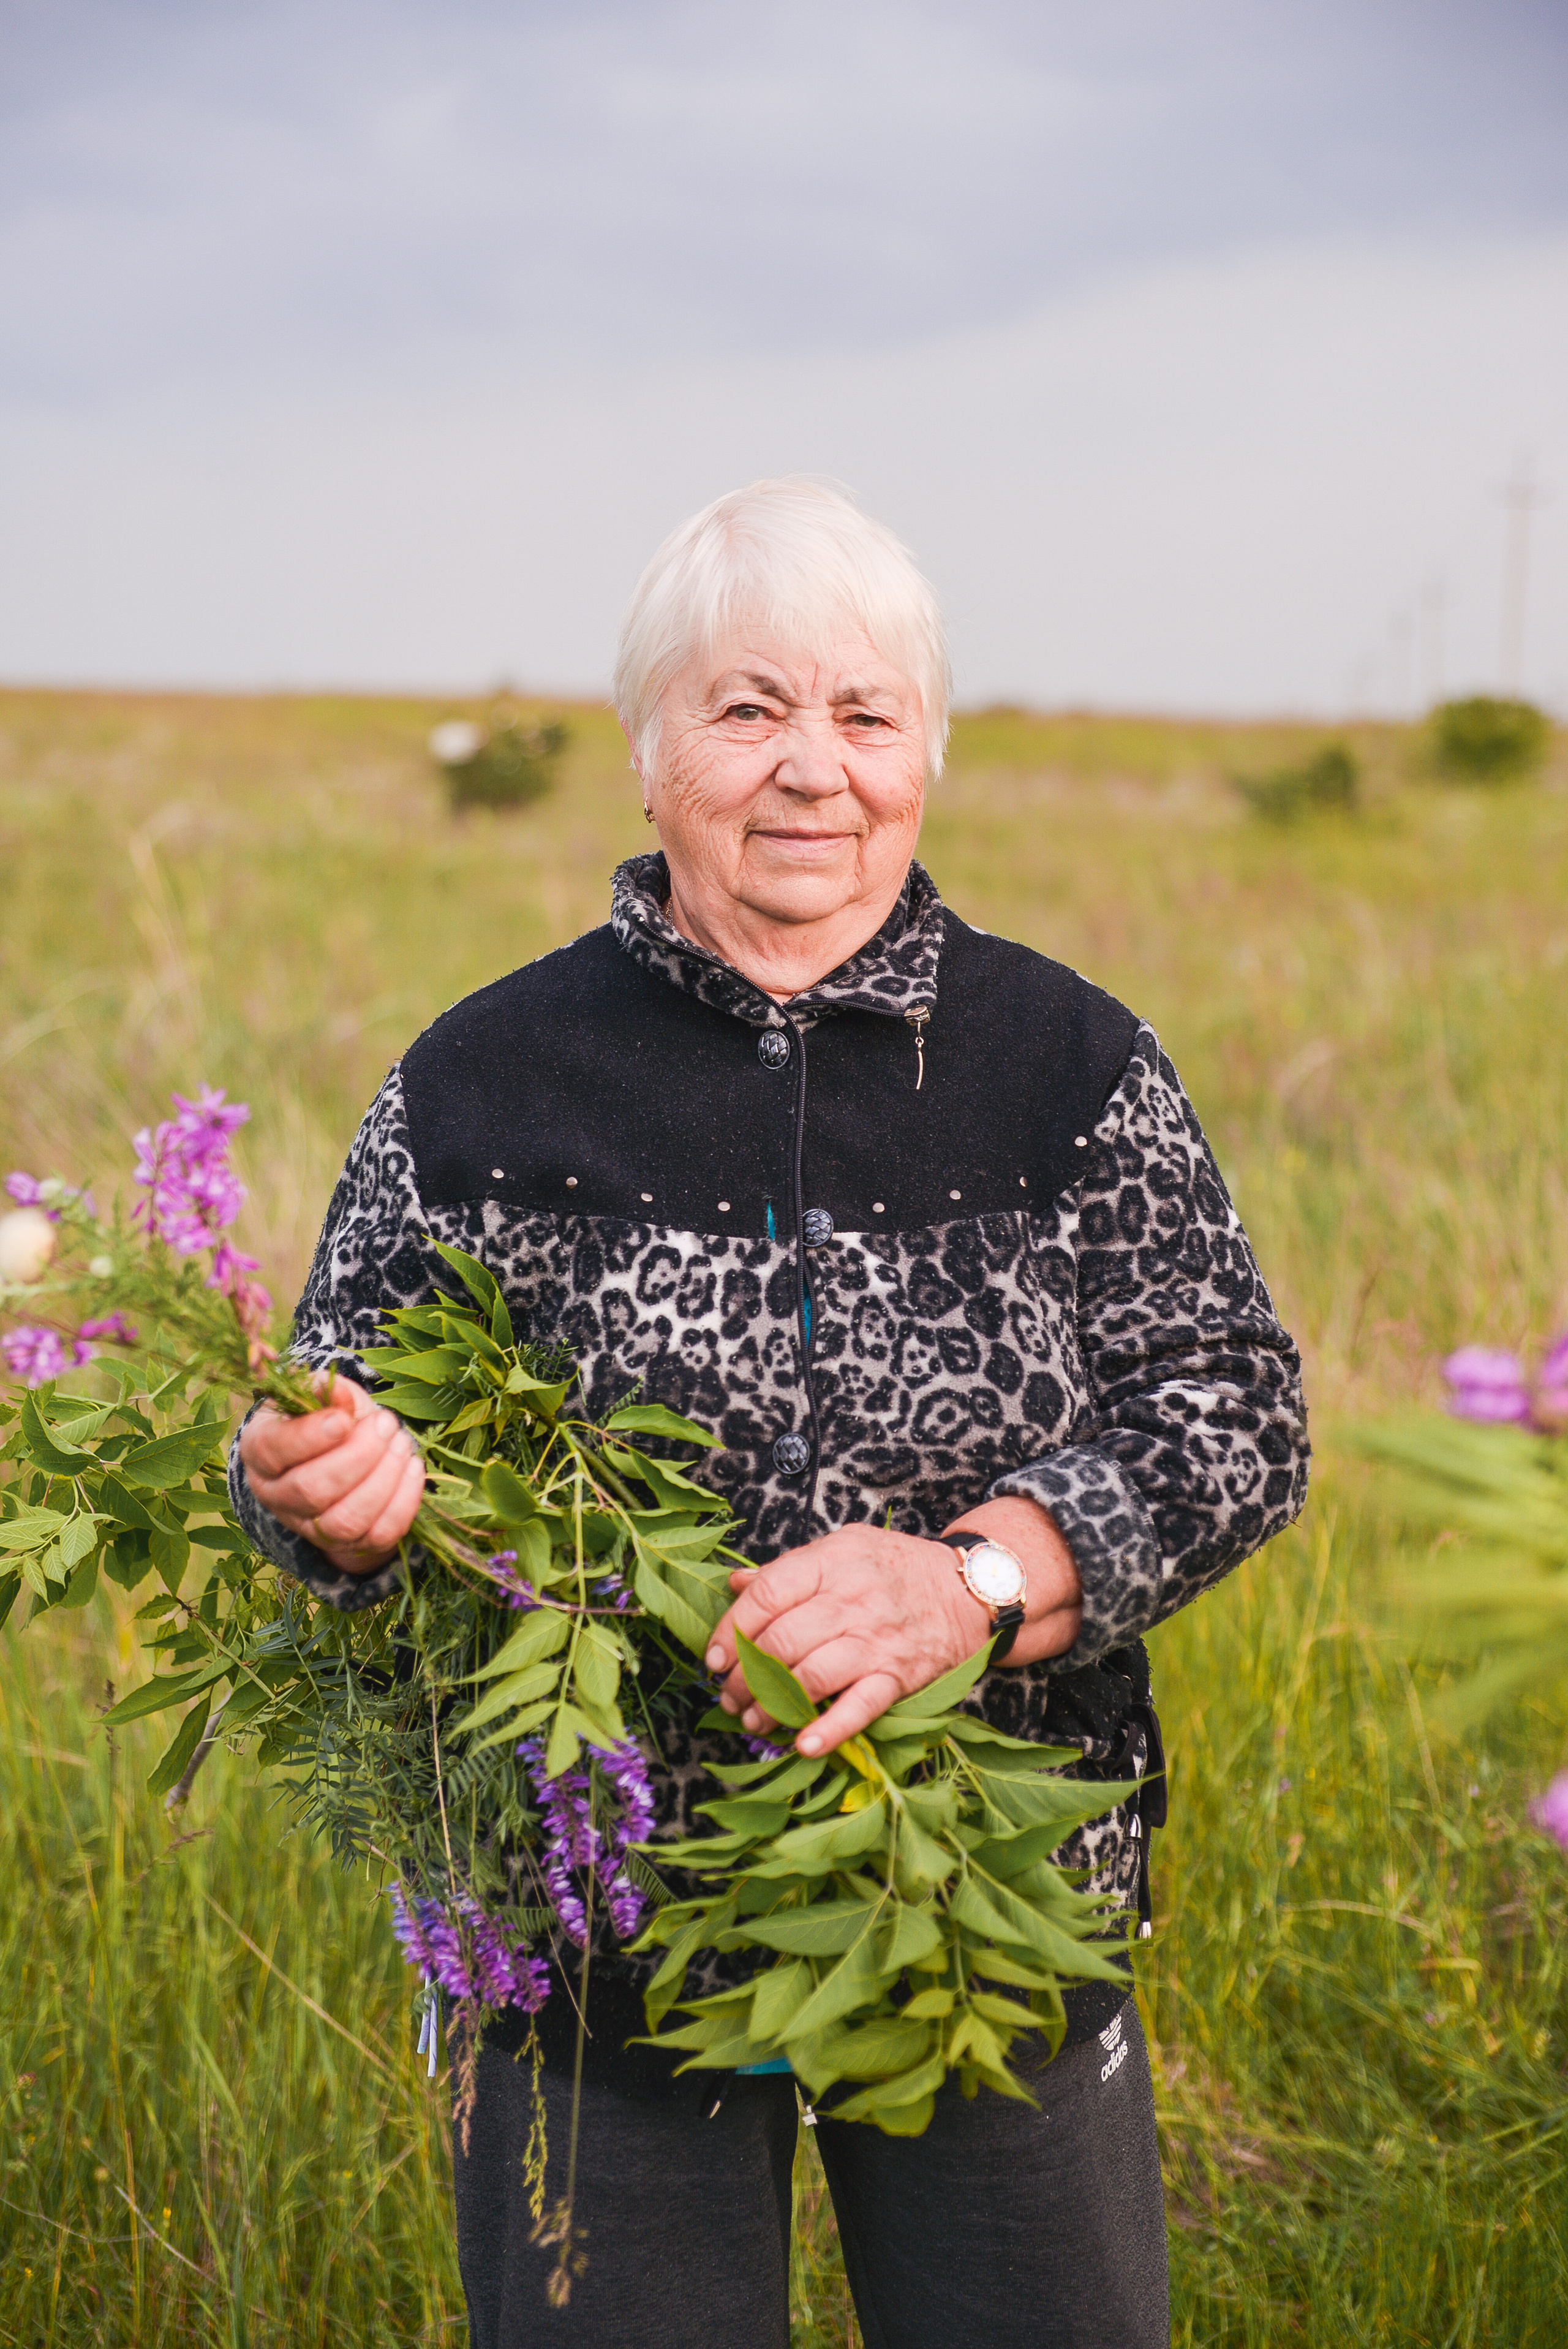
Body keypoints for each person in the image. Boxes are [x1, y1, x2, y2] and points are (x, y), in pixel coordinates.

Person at [233, 477, 1309, 2349]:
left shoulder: (1068, 1063)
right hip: (599, 1942)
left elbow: (1238, 1408)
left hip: (987, 1913)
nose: (813, 767)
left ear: (928, 757)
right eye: (746, 709)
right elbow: (324, 1434)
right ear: (651, 758)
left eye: (865, 713)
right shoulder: (484, 1079)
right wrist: (319, 1493)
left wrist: (977, 1580)